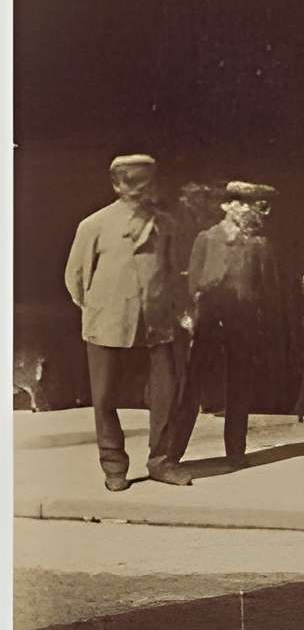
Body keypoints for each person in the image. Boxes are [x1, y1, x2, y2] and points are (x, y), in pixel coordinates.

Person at [63, 153, 194, 493]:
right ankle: (114, 466)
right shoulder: (94, 225)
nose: (137, 189)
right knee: (105, 396)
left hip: (157, 321)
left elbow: (174, 273)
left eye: (144, 181)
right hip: (108, 320)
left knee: (165, 393)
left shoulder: (166, 225)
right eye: (130, 181)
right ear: (115, 184)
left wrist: (177, 310)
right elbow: (75, 278)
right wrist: (99, 308)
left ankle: (162, 463)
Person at [176, 181, 295, 466]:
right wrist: (192, 317)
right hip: (208, 322)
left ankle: (235, 453)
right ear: (229, 206)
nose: (259, 212)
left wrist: (266, 327)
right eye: (250, 204)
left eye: (262, 207)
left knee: (240, 386)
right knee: (193, 386)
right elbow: (192, 282)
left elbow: (270, 291)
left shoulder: (261, 245)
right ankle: (172, 452)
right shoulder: (206, 238)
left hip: (244, 324)